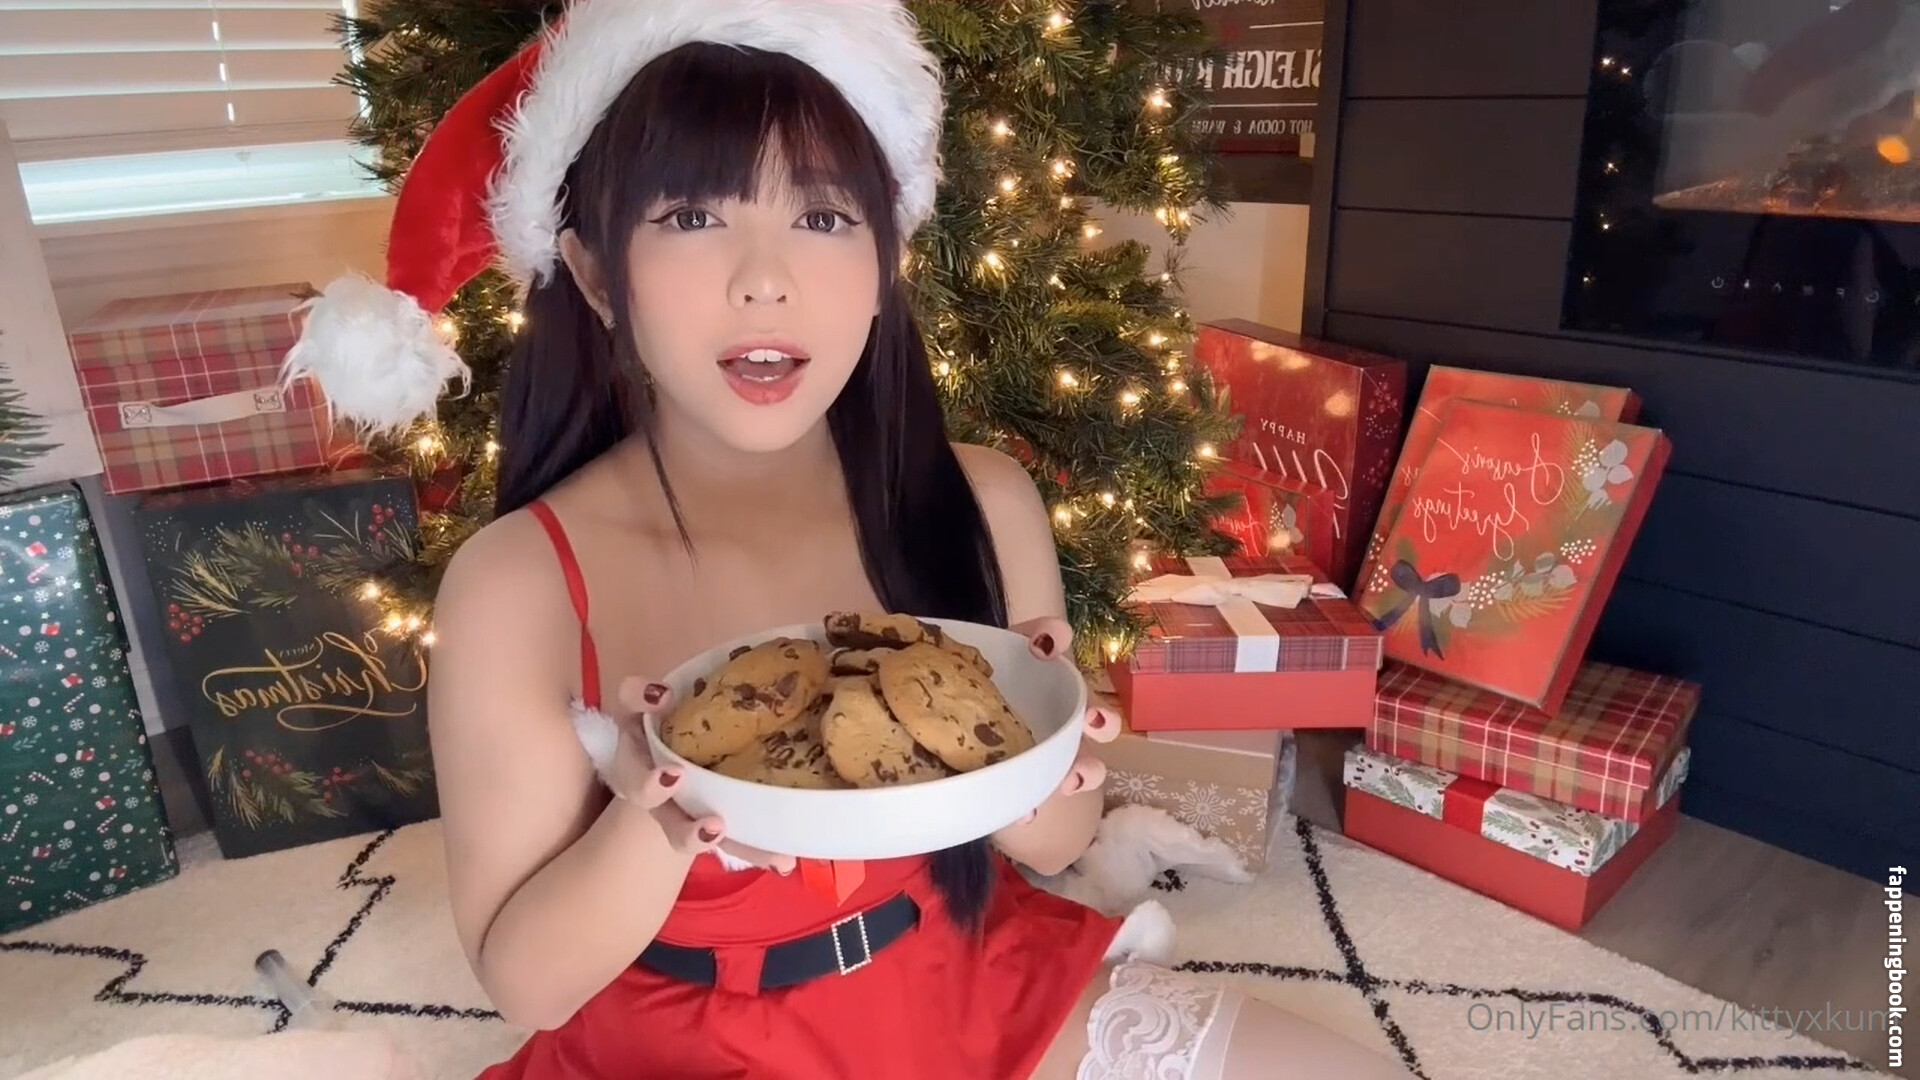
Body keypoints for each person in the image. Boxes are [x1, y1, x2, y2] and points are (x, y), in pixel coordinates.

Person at [281, 2, 1417, 1077]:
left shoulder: (982, 500)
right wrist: (658, 817)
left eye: (823, 217)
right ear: (593, 274)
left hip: (961, 980)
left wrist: (1038, 755)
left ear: (887, 261)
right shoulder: (520, 582)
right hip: (680, 1041)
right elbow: (526, 984)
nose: (765, 281)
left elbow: (1058, 842)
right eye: (691, 217)